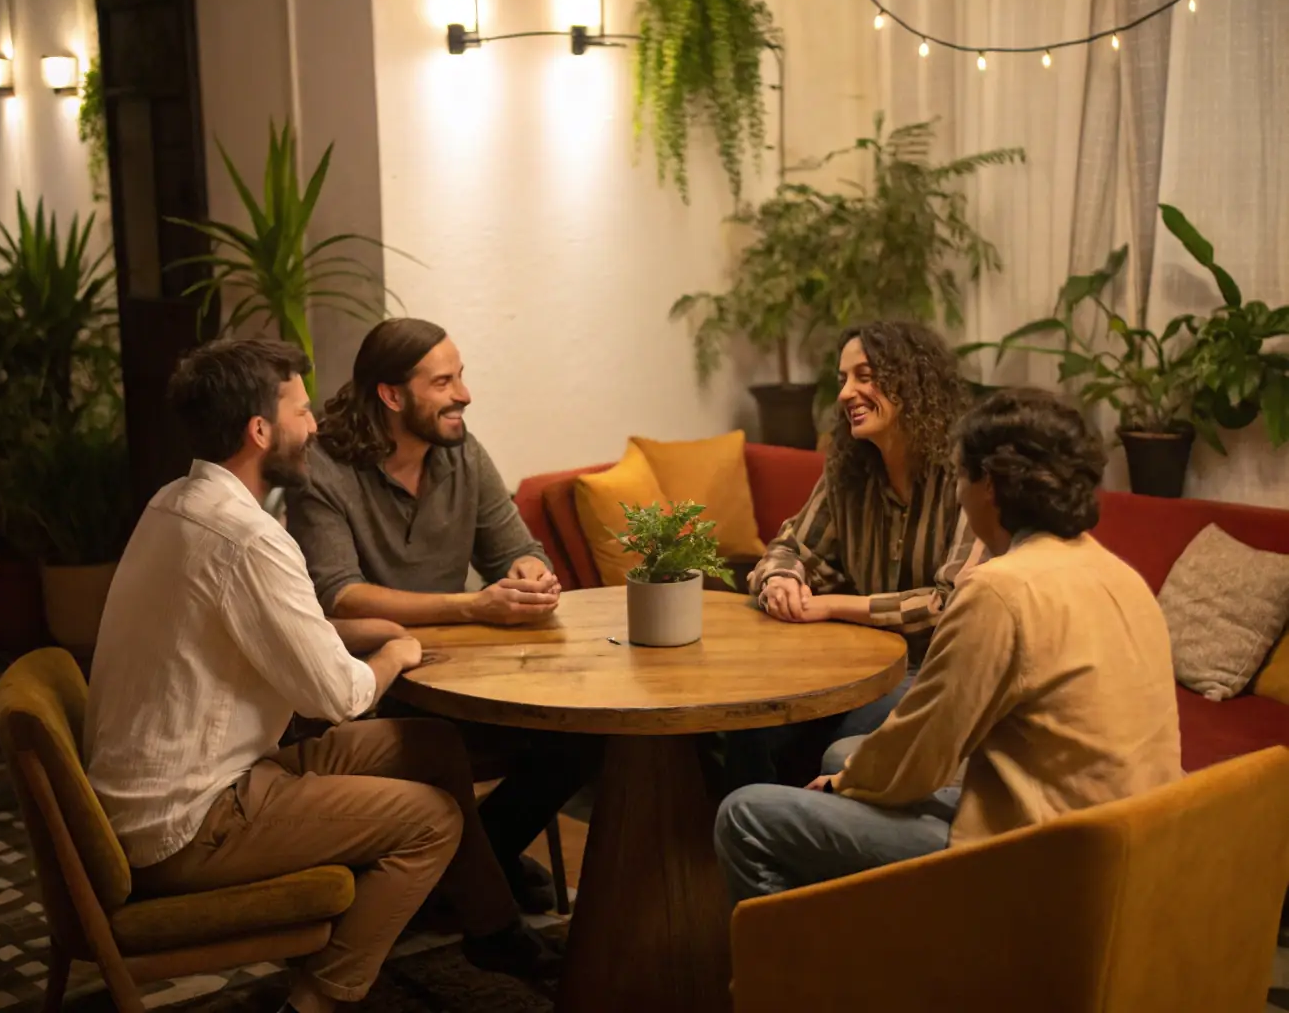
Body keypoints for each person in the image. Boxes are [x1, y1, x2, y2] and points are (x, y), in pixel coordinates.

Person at [84, 340, 559, 1013]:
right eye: (300, 411)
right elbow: (337, 696)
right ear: (259, 431)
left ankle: (491, 930)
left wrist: (383, 634)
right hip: (191, 820)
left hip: (178, 784)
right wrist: (399, 651)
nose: (313, 426)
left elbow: (284, 633)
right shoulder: (250, 538)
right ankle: (317, 1001)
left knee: (431, 748)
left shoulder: (175, 503)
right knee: (432, 819)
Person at [714, 387, 1184, 901]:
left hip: (1040, 854)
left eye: (960, 476)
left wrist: (843, 786)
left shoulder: (1000, 589)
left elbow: (924, 751)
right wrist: (849, 777)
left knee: (744, 813)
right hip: (1129, 834)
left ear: (989, 485)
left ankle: (806, 975)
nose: (957, 493)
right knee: (845, 755)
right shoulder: (1118, 573)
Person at [285, 317, 599, 911]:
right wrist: (473, 605)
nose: (464, 395)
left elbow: (516, 550)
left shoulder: (460, 451)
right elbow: (339, 595)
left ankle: (474, 865)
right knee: (449, 749)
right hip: (370, 681)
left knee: (583, 738)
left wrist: (531, 576)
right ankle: (478, 876)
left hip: (462, 671)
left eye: (462, 377)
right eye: (444, 382)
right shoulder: (322, 465)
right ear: (392, 395)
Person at [725, 321, 988, 788]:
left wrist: (830, 605)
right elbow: (789, 547)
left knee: (834, 744)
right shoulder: (850, 467)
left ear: (913, 381)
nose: (847, 393)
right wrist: (780, 580)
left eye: (865, 376)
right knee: (748, 724)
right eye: (843, 379)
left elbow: (950, 603)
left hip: (936, 671)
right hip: (854, 662)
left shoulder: (966, 474)